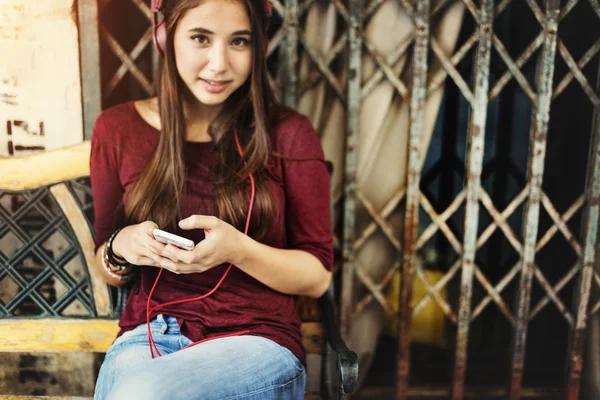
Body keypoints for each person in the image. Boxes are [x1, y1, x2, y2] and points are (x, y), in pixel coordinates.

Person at [90, 0, 333, 398]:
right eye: (200, 38)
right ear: (164, 36)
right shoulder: (117, 129)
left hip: (256, 340)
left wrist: (238, 250)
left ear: (260, 48)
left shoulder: (288, 133)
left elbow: (318, 276)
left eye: (239, 41)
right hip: (149, 334)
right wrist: (122, 245)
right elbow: (106, 261)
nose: (219, 64)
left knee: (142, 393)